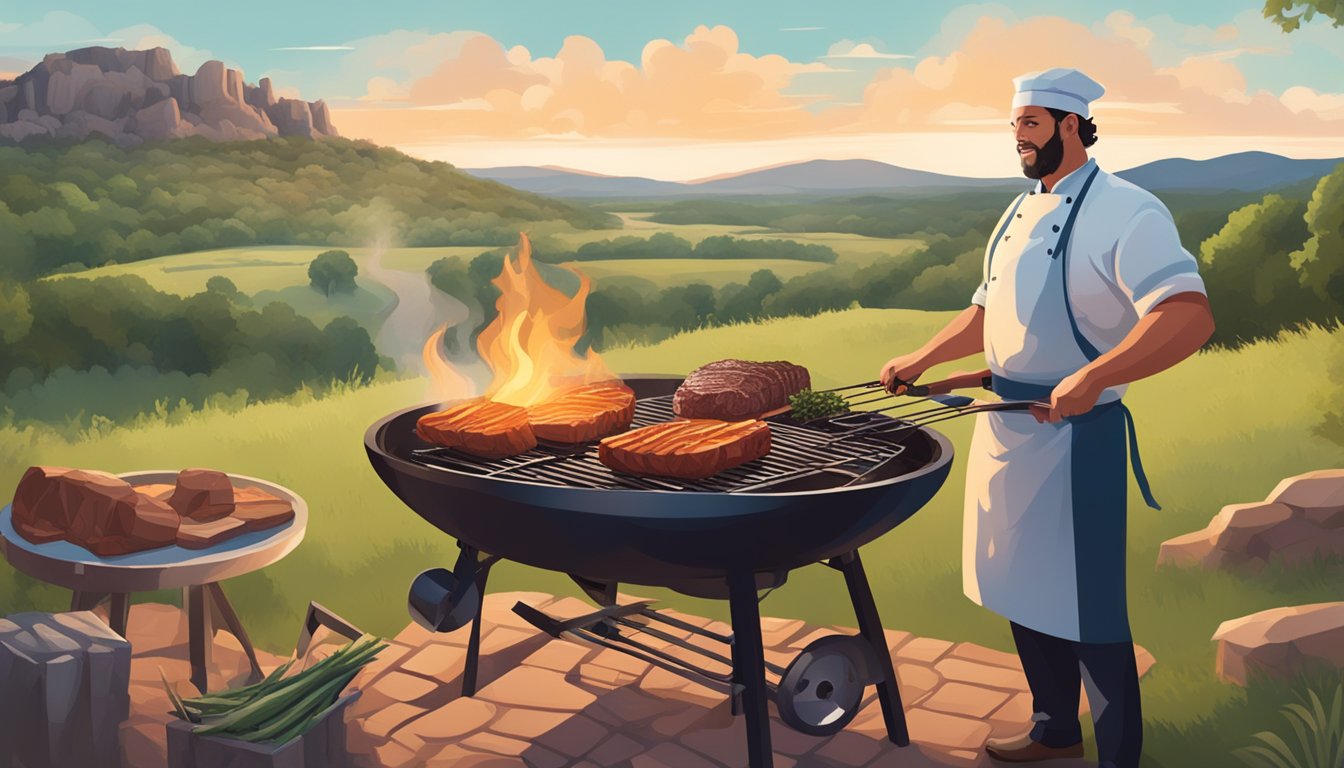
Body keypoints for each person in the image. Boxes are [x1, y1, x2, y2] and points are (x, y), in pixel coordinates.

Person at [878, 68, 1214, 768]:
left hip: (1074, 439)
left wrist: (1095, 376)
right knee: (1020, 589)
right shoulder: (1018, 209)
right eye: (1014, 126)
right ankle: (1055, 727)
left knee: (1089, 612)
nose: (1019, 139)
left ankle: (1119, 756)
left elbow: (1187, 315)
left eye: (1030, 124)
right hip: (1007, 425)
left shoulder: (1129, 211)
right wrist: (923, 357)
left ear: (1071, 125)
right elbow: (986, 313)